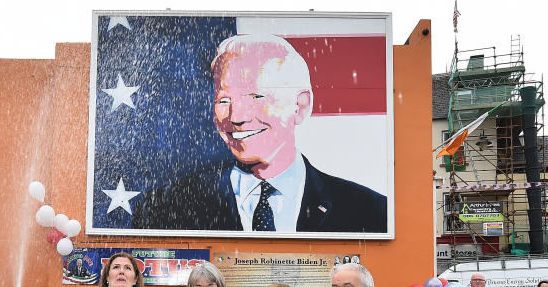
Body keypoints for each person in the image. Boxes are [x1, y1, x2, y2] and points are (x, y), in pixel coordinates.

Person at [133, 34, 386, 234]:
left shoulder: (369, 211)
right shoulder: (164, 207)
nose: (236, 116)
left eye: (257, 97)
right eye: (224, 100)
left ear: (300, 106)